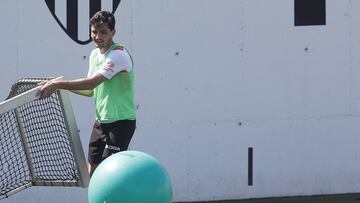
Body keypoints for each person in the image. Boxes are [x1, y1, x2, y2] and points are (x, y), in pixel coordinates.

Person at [40, 11, 136, 176]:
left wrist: (59, 84)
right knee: (93, 171)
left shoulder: (118, 54)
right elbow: (91, 90)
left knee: (109, 173)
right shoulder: (94, 55)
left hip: (121, 124)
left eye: (103, 32)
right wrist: (62, 85)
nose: (98, 36)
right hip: (100, 123)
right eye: (94, 32)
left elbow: (92, 82)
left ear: (113, 32)